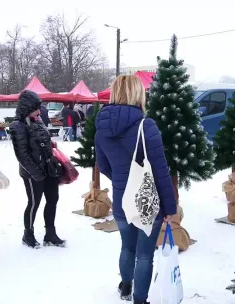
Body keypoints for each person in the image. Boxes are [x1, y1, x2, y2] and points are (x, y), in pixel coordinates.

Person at [94, 75, 176, 304]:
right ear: (138, 93)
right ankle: (140, 300)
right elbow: (160, 171)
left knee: (127, 247)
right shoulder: (146, 126)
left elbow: (103, 164)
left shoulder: (101, 126)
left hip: (121, 200)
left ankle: (125, 286)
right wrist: (170, 207)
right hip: (148, 202)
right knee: (145, 255)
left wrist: (122, 180)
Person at [9, 90, 65, 249]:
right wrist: (36, 173)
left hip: (49, 168)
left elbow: (43, 142)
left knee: (53, 199)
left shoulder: (38, 121)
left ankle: (50, 233)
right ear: (26, 108)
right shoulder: (17, 126)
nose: (38, 111)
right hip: (32, 172)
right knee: (34, 202)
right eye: (35, 108)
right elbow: (22, 154)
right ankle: (28, 234)